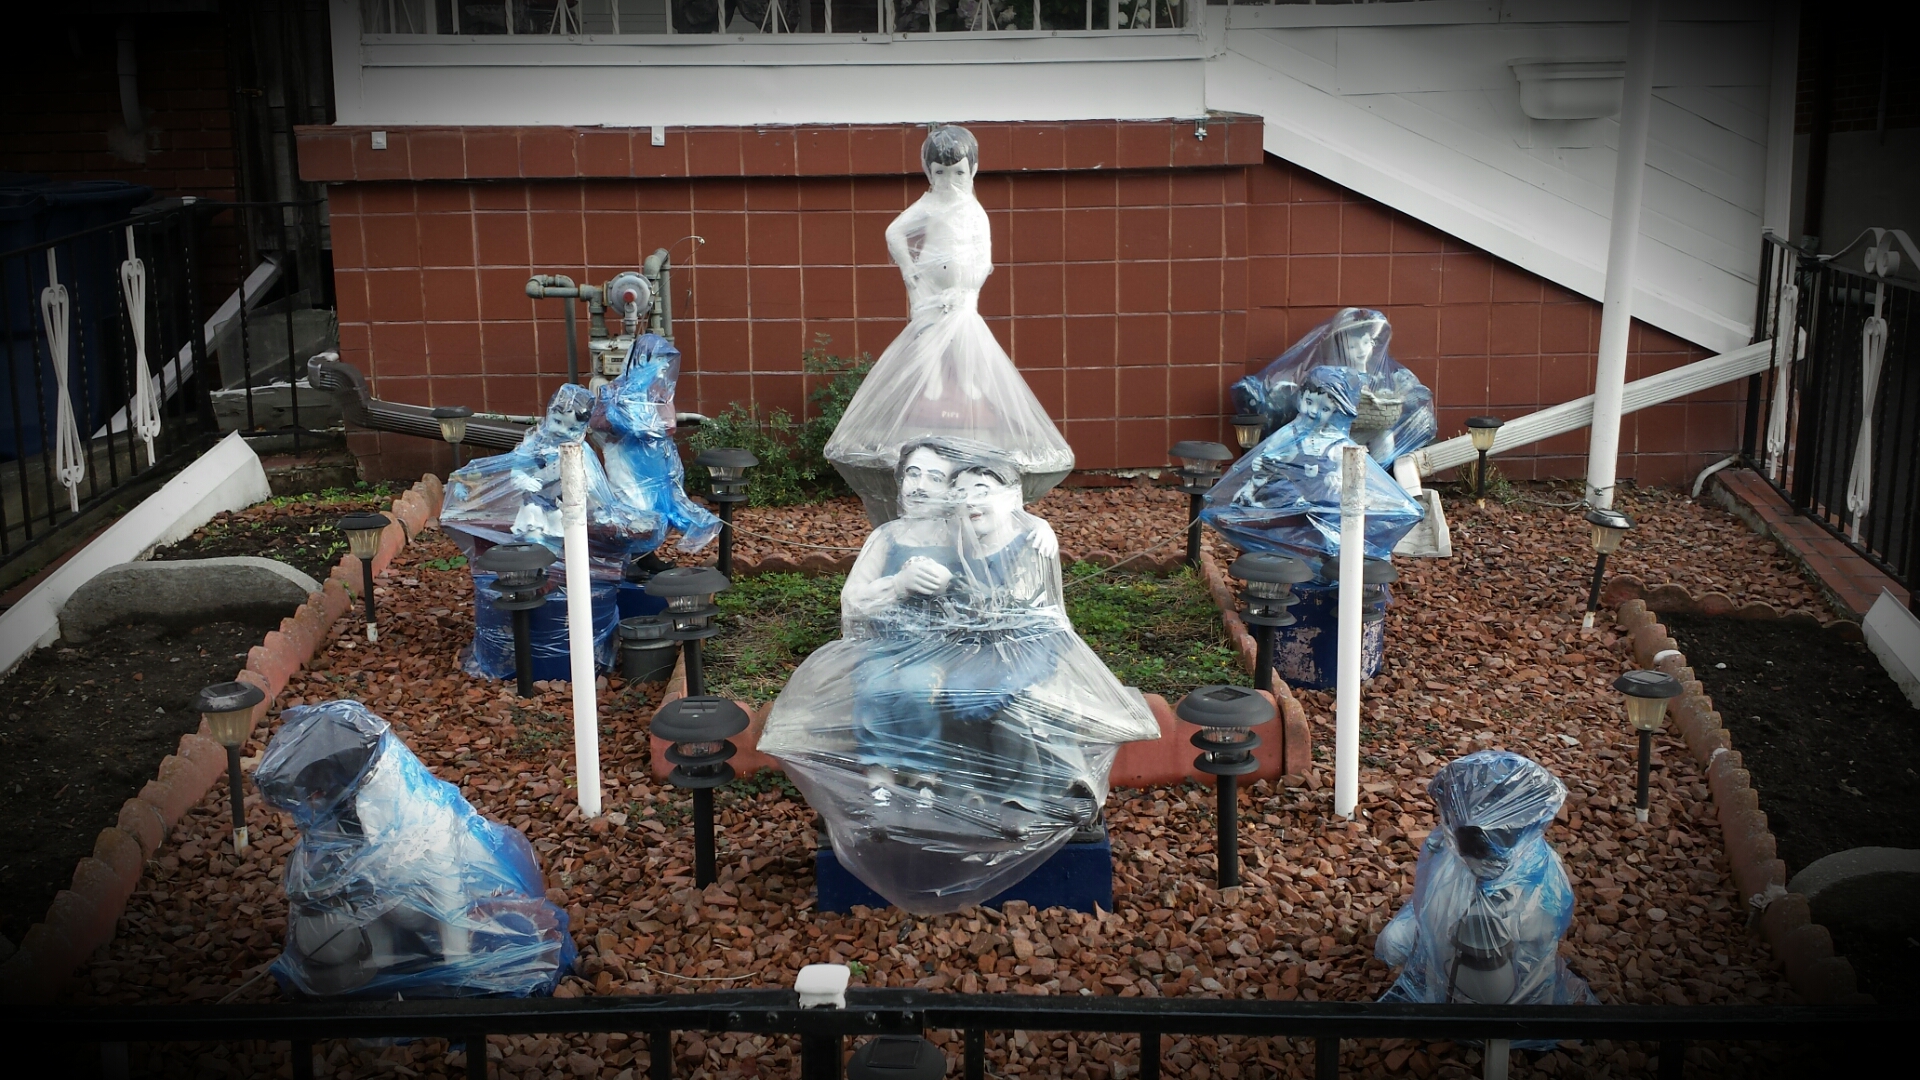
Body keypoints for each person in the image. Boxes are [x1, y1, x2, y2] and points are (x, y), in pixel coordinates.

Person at [824, 127, 1075, 523]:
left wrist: (969, 284)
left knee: (966, 344)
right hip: (929, 292)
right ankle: (934, 389)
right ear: (929, 172)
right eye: (940, 173)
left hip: (963, 296)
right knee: (928, 347)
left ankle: (970, 390)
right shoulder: (929, 204)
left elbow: (983, 251)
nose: (949, 181)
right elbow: (894, 232)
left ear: (972, 171)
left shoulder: (974, 210)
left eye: (957, 173)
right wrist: (910, 271)